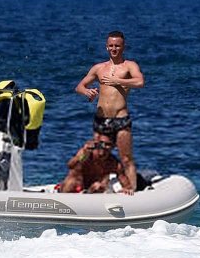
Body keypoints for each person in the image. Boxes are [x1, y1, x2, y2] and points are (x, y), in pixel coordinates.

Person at [75, 30, 144, 194]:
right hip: (101, 120)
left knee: (126, 157)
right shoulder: (99, 68)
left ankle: (132, 189)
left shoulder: (129, 66)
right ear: (107, 47)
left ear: (123, 47)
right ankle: (99, 187)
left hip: (120, 119)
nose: (114, 49)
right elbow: (79, 86)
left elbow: (140, 81)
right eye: (111, 46)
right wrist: (86, 92)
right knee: (97, 157)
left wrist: (117, 81)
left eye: (117, 46)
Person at [57, 132, 133, 194]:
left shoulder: (113, 163)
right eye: (102, 143)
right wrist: (83, 156)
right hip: (74, 187)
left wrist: (126, 189)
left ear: (113, 146)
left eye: (108, 144)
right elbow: (70, 165)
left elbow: (125, 183)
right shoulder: (87, 153)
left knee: (99, 186)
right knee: (72, 182)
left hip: (92, 190)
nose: (104, 147)